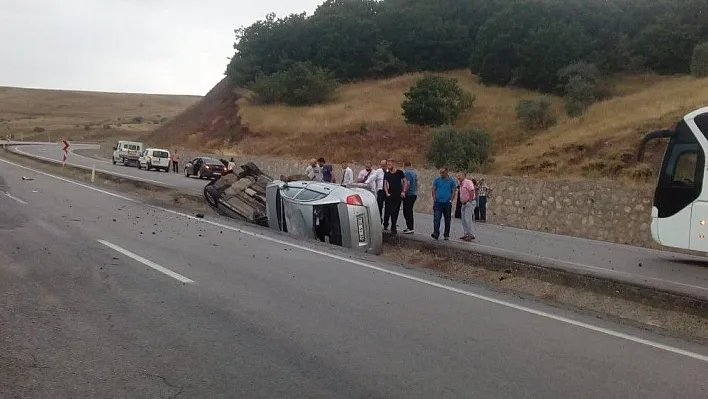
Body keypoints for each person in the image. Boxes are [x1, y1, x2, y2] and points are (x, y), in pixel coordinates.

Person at [431, 167, 457, 241]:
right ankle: (436, 233)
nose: (441, 174)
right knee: (436, 218)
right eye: (440, 172)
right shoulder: (437, 180)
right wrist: (434, 198)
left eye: (443, 172)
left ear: (447, 172)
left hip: (447, 203)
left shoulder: (451, 181)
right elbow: (433, 189)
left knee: (447, 219)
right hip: (438, 203)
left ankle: (446, 234)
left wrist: (451, 200)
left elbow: (454, 191)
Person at [383, 159, 406, 234]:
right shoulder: (387, 174)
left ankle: (393, 226)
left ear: (393, 164)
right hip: (389, 195)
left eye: (390, 164)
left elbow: (405, 181)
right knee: (388, 211)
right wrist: (386, 193)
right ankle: (386, 224)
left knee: (395, 211)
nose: (388, 166)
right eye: (388, 165)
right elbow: (385, 184)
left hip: (398, 195)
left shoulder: (400, 173)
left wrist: (403, 191)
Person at [365, 160, 388, 224]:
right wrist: (366, 183)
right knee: (379, 206)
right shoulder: (378, 171)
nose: (382, 167)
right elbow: (372, 178)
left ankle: (386, 223)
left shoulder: (389, 172)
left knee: (387, 208)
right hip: (380, 191)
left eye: (384, 166)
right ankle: (379, 220)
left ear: (386, 165)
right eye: (381, 165)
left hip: (387, 191)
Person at [457, 172, 477, 241]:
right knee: (463, 219)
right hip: (464, 203)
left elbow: (472, 190)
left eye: (459, 175)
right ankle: (466, 234)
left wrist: (470, 201)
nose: (458, 177)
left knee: (468, 218)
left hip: (469, 203)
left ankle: (471, 234)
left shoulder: (468, 182)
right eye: (458, 175)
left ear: (464, 176)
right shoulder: (461, 184)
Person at [402, 161, 418, 234]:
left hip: (409, 194)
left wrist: (404, 192)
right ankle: (409, 227)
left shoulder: (407, 172)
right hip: (414, 193)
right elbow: (416, 182)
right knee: (409, 210)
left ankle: (410, 227)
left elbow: (407, 183)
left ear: (404, 165)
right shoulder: (414, 172)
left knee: (407, 211)